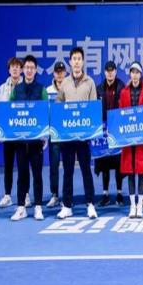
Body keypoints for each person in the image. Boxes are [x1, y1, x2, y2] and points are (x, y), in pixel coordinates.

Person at [56, 47, 98, 220]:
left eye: (79, 58)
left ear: (83, 61)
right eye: (74, 59)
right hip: (67, 136)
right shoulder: (64, 83)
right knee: (67, 171)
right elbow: (58, 105)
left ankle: (90, 204)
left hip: (83, 136)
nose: (77, 62)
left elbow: (94, 107)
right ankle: (67, 206)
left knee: (86, 170)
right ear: (70, 62)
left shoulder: (90, 82)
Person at [10, 55, 48, 221]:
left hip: (36, 142)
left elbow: (46, 113)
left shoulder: (42, 90)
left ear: (36, 70)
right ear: (22, 70)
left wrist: (44, 136)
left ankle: (38, 207)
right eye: (27, 67)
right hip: (20, 142)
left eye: (32, 68)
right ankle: (21, 208)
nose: (29, 70)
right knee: (22, 175)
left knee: (37, 175)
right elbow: (9, 111)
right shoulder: (16, 90)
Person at [118, 62, 143, 219]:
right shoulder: (124, 92)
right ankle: (132, 205)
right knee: (130, 171)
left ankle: (140, 206)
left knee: (141, 171)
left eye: (137, 72)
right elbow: (120, 113)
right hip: (128, 138)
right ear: (130, 74)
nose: (135, 75)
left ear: (140, 74)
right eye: (132, 72)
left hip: (142, 139)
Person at [0, 57, 28, 209]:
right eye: (12, 67)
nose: (15, 69)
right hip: (8, 134)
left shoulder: (27, 87)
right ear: (9, 70)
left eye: (17, 66)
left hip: (22, 134)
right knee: (8, 165)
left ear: (21, 69)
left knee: (23, 166)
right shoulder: (2, 89)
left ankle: (25, 195)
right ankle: (7, 195)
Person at [96, 60, 125, 206]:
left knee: (119, 163)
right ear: (105, 72)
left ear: (116, 72)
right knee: (105, 162)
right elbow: (95, 109)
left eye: (112, 70)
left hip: (118, 130)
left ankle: (119, 193)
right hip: (103, 132)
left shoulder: (122, 87)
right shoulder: (98, 89)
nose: (110, 73)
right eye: (107, 70)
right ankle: (105, 194)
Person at [46, 61, 67, 208]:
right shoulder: (48, 91)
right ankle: (54, 195)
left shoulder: (70, 88)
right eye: (57, 72)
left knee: (68, 166)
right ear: (53, 74)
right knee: (54, 166)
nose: (60, 74)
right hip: (53, 134)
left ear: (65, 73)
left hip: (67, 134)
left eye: (62, 71)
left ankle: (66, 195)